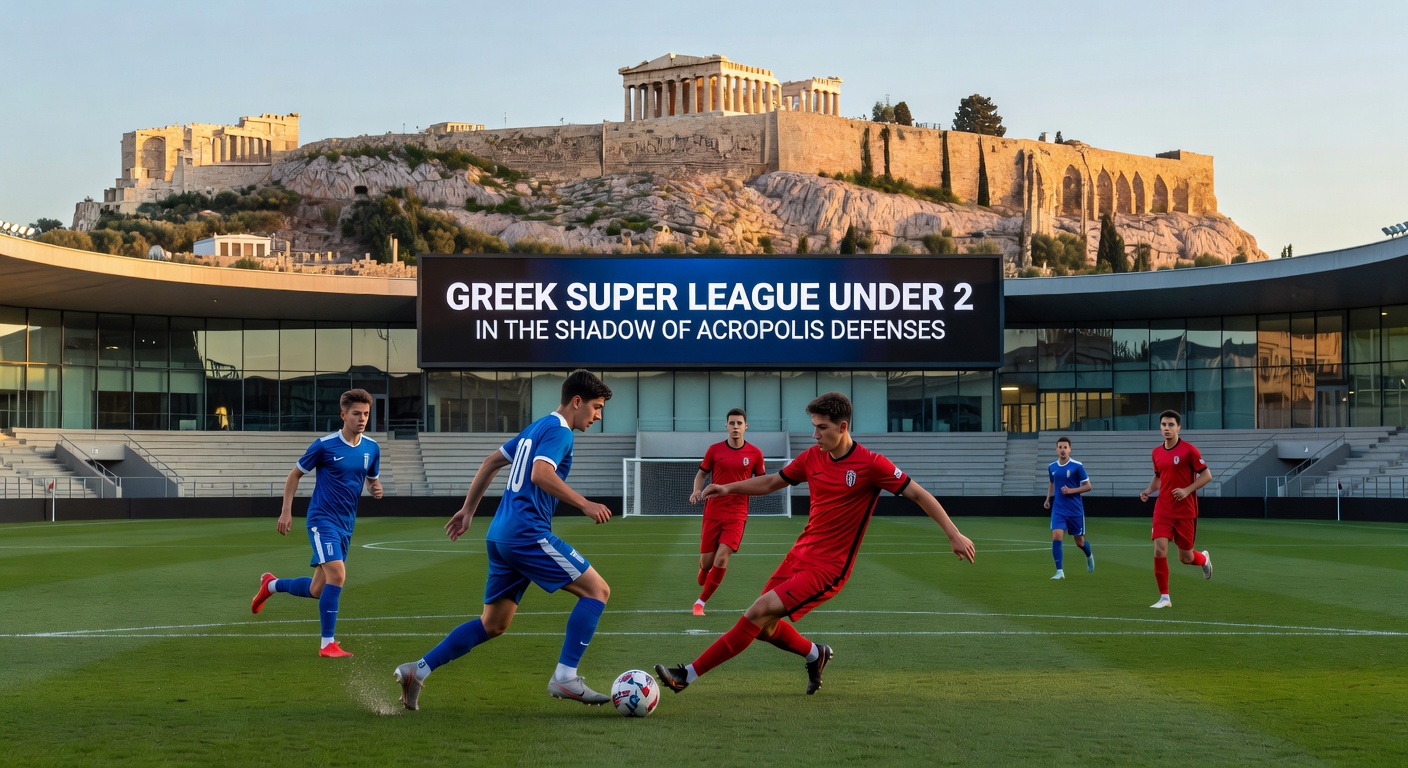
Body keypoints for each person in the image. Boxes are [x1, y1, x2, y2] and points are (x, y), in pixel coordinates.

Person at [654, 392, 975, 696]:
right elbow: (771, 481)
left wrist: (953, 534)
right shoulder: (812, 458)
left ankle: (687, 675)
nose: (815, 435)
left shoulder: (871, 464)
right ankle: (814, 653)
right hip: (799, 555)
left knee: (757, 611)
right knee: (764, 628)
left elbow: (918, 493)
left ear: (842, 427)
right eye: (814, 427)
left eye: (821, 428)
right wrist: (727, 489)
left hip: (829, 566)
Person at [392, 370, 615, 711]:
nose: (598, 416)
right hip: (526, 533)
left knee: (493, 624)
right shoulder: (560, 432)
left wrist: (468, 510)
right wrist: (585, 503)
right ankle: (566, 677)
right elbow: (542, 473)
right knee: (598, 590)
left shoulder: (536, 427)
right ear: (576, 402)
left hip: (500, 535)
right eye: (596, 407)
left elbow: (491, 461)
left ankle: (417, 671)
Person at [250, 389, 383, 657]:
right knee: (338, 574)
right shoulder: (324, 445)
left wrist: (375, 487)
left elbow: (371, 478)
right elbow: (294, 475)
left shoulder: (372, 448)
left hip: (346, 524)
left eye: (366, 414)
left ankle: (270, 585)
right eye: (356, 413)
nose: (362, 418)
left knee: (316, 590)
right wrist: (286, 512)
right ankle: (327, 644)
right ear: (343, 414)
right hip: (322, 520)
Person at [687, 408, 766, 616]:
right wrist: (697, 490)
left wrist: (751, 490)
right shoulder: (714, 450)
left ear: (745, 427)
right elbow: (701, 475)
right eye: (732, 423)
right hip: (713, 511)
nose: (736, 427)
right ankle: (704, 569)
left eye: (739, 423)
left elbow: (761, 481)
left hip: (737, 514)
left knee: (722, 558)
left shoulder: (755, 454)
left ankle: (700, 603)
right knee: (707, 562)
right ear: (726, 426)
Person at [1138, 409, 1213, 608]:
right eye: (1164, 425)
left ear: (1178, 427)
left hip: (1185, 511)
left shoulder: (1189, 450)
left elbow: (1207, 475)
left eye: (1171, 425)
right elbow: (1159, 477)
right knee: (1159, 550)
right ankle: (1164, 598)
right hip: (1163, 508)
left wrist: (1187, 490)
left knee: (1185, 558)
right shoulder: (1156, 452)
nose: (1167, 428)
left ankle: (1203, 559)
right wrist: (1148, 490)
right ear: (1160, 427)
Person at [1043, 436, 1093, 580]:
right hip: (1058, 509)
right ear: (1056, 449)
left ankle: (1089, 555)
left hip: (1075, 510)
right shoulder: (1052, 467)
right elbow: (1051, 483)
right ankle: (1059, 571)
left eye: (1065, 447)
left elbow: (1088, 486)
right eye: (1060, 447)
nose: (1062, 450)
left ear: (1070, 449)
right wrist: (1048, 498)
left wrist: (1070, 491)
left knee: (1079, 542)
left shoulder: (1077, 466)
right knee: (1056, 537)